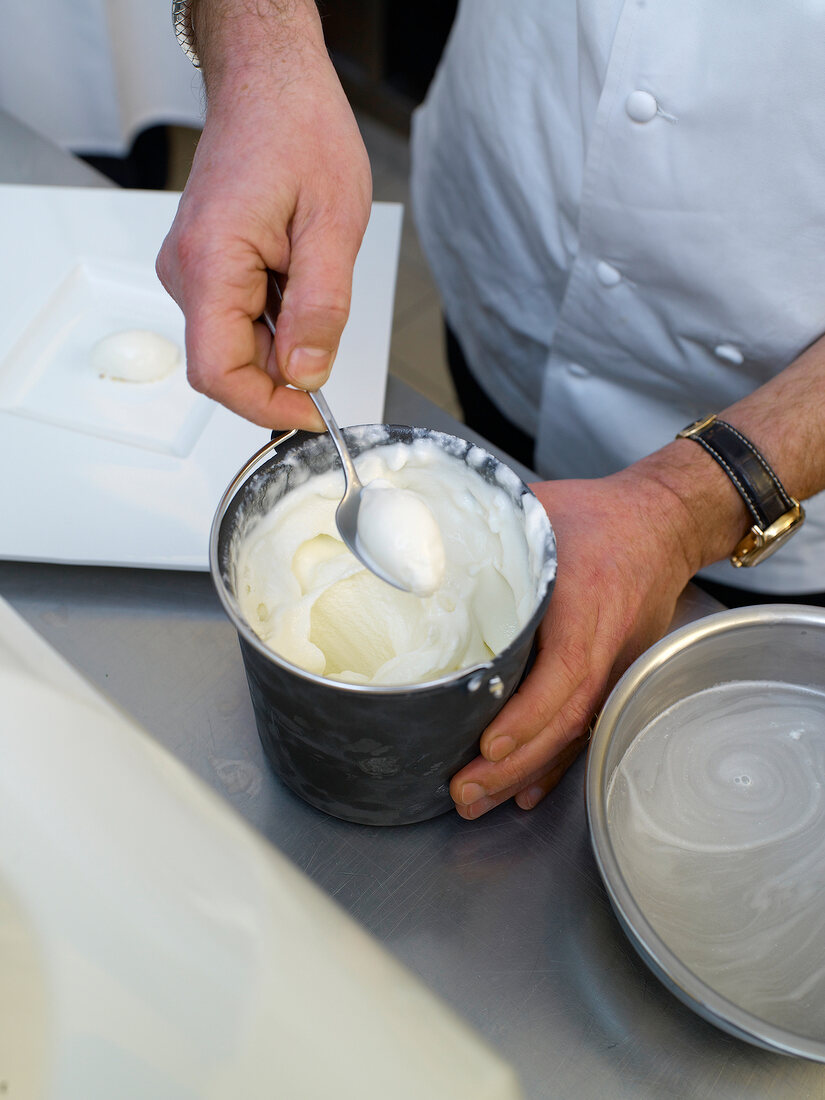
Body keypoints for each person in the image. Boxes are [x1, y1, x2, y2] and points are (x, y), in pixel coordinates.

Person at [157, 0, 825, 821]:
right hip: (510, 241)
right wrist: (261, 50)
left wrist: (687, 504)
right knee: (490, 409)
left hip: (782, 472)